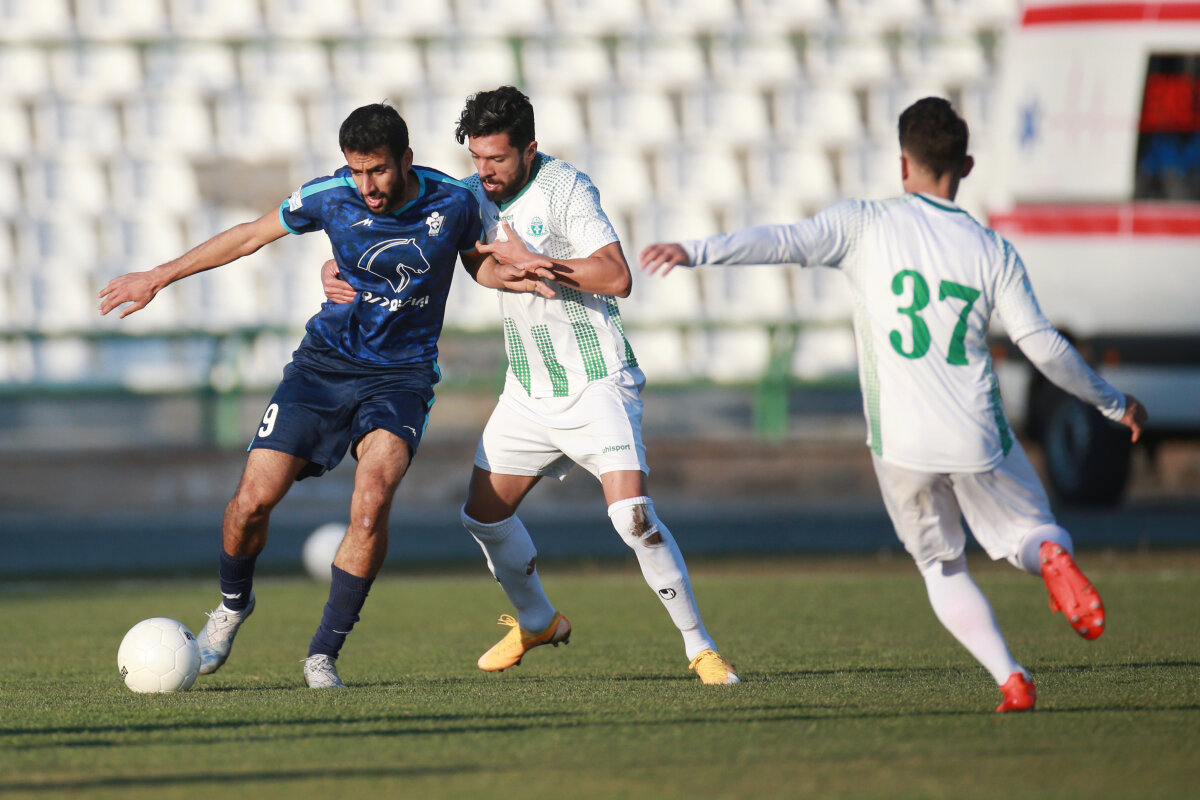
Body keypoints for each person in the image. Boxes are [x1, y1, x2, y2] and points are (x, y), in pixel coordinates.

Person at [639, 97, 1148, 710]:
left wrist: (695, 250)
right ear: (966, 166)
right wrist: (1112, 402)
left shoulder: (863, 223)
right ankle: (1048, 555)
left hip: (901, 442)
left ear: (904, 163)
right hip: (976, 432)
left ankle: (1011, 677)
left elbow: (784, 241)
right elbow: (1041, 344)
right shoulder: (991, 250)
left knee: (942, 568)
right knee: (1033, 530)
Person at [100, 103, 554, 689]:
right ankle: (233, 606)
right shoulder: (330, 195)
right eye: (357, 171)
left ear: (406, 160)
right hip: (322, 368)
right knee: (251, 502)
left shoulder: (454, 201)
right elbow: (249, 235)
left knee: (371, 502)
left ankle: (322, 655)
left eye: (379, 171)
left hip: (401, 378)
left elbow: (476, 265)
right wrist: (156, 277)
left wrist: (509, 275)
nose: (367, 186)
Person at [323, 86, 739, 684]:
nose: (485, 171)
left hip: (597, 383)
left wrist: (539, 262)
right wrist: (335, 265)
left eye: (497, 158)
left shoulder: (567, 189)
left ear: (529, 149)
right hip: (528, 390)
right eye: (476, 157)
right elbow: (446, 252)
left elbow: (617, 277)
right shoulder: (468, 196)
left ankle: (700, 647)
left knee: (632, 518)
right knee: (482, 518)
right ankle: (538, 619)